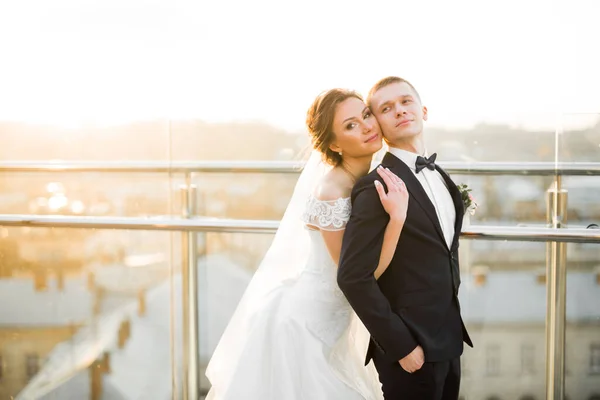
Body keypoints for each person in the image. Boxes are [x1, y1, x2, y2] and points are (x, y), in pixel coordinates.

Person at [205, 88, 409, 399]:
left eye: (366, 115)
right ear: (334, 144)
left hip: (331, 325)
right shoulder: (333, 191)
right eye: (351, 125)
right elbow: (356, 276)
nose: (367, 126)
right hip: (308, 327)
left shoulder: (360, 180)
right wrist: (397, 220)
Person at [338, 76, 474, 400]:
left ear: (423, 110)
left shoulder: (440, 175)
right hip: (410, 351)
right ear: (379, 124)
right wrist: (401, 346)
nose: (399, 111)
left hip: (449, 341)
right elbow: (352, 277)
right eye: (386, 108)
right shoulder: (377, 187)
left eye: (405, 102)